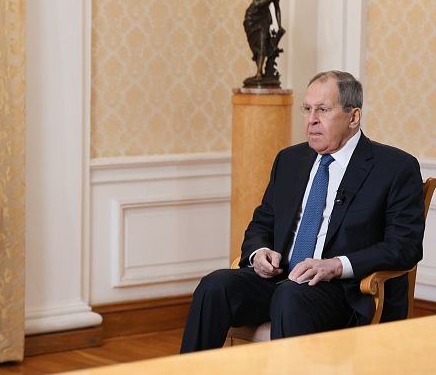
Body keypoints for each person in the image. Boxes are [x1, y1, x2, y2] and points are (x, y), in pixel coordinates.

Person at [181, 70, 425, 352]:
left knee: (289, 296)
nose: (311, 120)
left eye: (323, 110)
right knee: (215, 286)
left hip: (343, 291)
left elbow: (404, 247)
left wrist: (336, 265)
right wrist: (259, 252)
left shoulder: (394, 167)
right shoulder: (289, 160)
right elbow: (262, 223)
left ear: (353, 117)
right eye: (307, 109)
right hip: (280, 278)